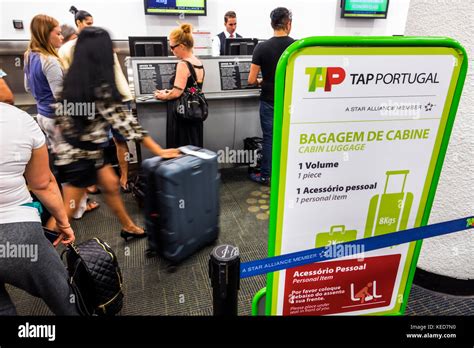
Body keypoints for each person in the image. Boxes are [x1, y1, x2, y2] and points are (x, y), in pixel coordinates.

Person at [55, 26, 179, 241]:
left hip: (81, 150)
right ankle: (37, 254)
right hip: (79, 158)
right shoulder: (99, 87)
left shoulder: (75, 79)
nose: (113, 49)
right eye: (108, 47)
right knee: (64, 217)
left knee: (111, 186)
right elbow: (127, 125)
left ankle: (128, 226)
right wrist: (160, 150)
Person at [0, 93, 78, 315]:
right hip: (17, 233)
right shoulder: (19, 119)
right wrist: (63, 223)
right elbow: (42, 184)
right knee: (66, 299)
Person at [24, 14, 99, 219]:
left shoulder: (29, 55)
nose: (60, 37)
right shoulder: (50, 61)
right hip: (58, 120)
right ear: (45, 34)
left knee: (60, 162)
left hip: (43, 116)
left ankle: (72, 205)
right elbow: (61, 99)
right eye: (57, 33)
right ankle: (78, 208)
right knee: (72, 162)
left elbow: (28, 86)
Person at [60, 6, 134, 193]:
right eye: (88, 23)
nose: (92, 26)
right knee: (96, 144)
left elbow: (115, 72)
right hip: (90, 104)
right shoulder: (68, 49)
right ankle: (93, 181)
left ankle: (125, 177)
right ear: (78, 23)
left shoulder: (101, 43)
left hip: (116, 98)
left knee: (120, 140)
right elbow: (70, 78)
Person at [248, 7, 294, 185]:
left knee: (269, 138)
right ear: (288, 24)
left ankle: (266, 176)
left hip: (268, 100)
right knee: (288, 137)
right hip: (289, 101)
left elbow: (251, 79)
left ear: (271, 24)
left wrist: (261, 81)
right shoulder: (296, 46)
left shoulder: (262, 47)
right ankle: (286, 175)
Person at [155, 23, 205, 148]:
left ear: (182, 46)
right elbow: (192, 89)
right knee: (194, 148)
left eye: (172, 47)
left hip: (182, 115)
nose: (171, 50)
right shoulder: (198, 62)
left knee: (181, 149)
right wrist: (170, 91)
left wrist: (163, 95)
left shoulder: (183, 64)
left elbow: (177, 93)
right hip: (194, 112)